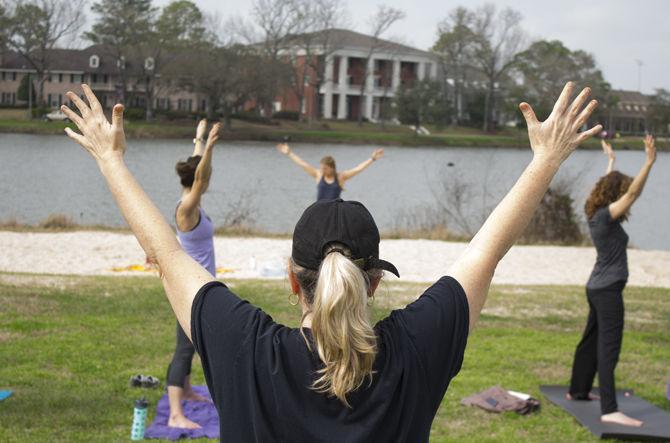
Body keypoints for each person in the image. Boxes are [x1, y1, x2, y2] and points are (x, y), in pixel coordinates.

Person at [62, 82, 601, 442]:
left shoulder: (243, 345)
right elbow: (487, 250)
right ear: (374, 284)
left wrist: (110, 159)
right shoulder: (417, 347)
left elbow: (165, 253)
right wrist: (546, 160)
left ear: (294, 280)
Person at [568, 134, 656, 427]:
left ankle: (578, 391)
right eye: (620, 193)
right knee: (608, 348)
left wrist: (611, 161)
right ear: (614, 195)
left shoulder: (594, 212)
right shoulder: (606, 216)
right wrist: (649, 161)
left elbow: (610, 188)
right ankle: (610, 409)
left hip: (596, 287)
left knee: (590, 341)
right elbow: (631, 195)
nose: (625, 199)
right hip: (607, 291)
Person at [159, 118, 220, 429]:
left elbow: (197, 172)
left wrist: (198, 139)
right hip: (189, 288)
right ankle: (174, 414)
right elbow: (201, 175)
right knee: (184, 349)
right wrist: (209, 145)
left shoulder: (190, 203)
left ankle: (184, 391)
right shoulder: (186, 209)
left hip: (197, 285)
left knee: (190, 344)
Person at [276, 142, 385, 200]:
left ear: (332, 168)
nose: (322, 170)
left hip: (335, 213)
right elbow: (302, 164)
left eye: (325, 168)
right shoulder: (318, 175)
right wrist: (289, 153)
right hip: (319, 212)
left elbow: (358, 169)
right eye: (321, 168)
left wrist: (373, 159)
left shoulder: (341, 177)